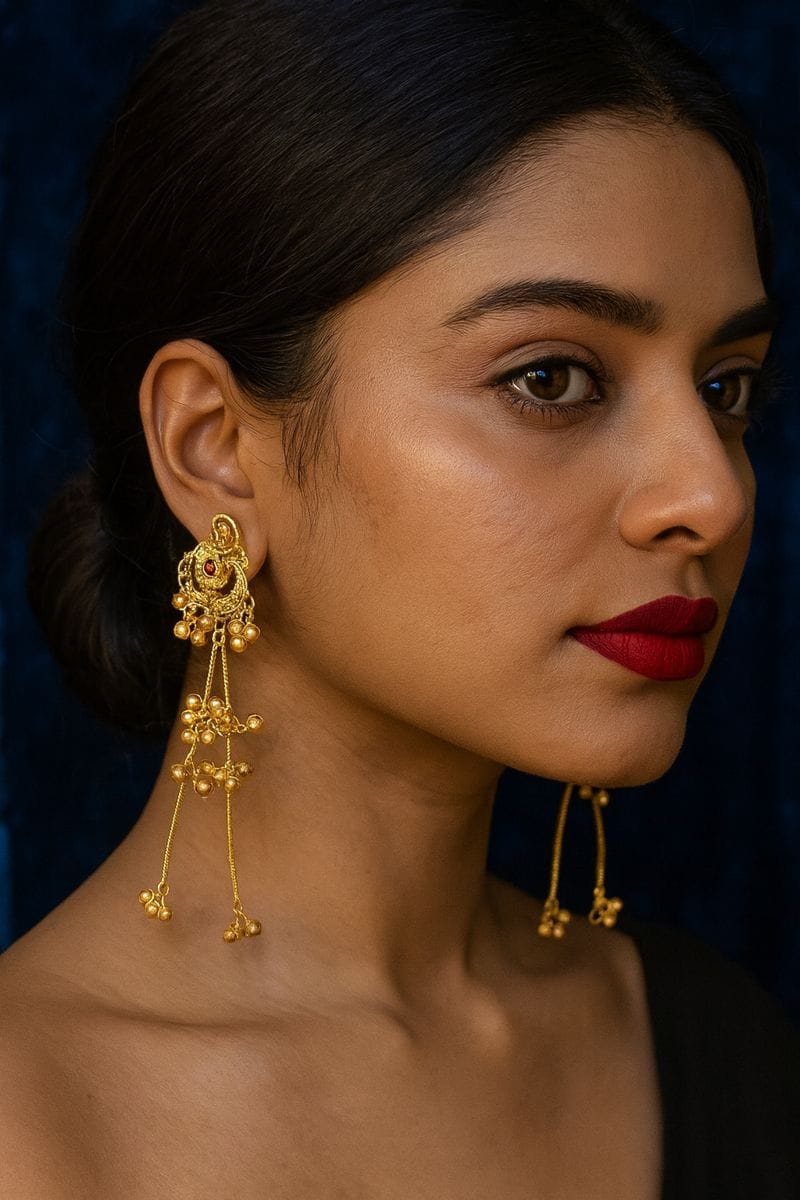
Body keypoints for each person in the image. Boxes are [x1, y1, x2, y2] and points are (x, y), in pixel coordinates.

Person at [1, 0, 798, 1196]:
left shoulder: (724, 1052)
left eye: (726, 390)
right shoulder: (29, 1116)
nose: (708, 496)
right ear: (216, 448)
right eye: (551, 377)